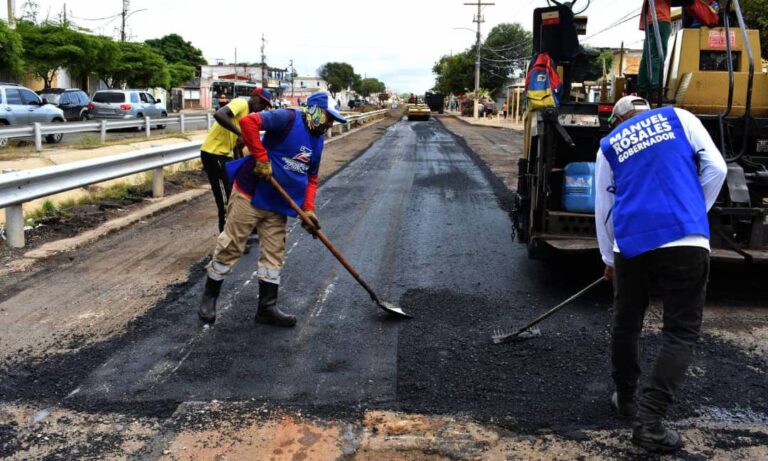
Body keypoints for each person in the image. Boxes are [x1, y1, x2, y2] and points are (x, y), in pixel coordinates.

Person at [595, 96, 727, 452]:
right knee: (680, 332)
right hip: (686, 239)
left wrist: (609, 257)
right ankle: (650, 422)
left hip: (632, 243)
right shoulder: (680, 117)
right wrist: (692, 211)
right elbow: (717, 168)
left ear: (619, 118)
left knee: (627, 322)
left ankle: (627, 401)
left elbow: (604, 207)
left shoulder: (610, 144)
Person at [197, 91, 345, 326]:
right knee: (231, 246)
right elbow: (248, 122)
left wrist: (308, 210)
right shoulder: (287, 118)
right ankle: (209, 296)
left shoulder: (318, 141)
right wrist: (262, 158)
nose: (329, 124)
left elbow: (312, 177)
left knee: (274, 254)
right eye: (328, 118)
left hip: (278, 203)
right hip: (250, 194)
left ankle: (267, 308)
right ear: (316, 111)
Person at [200, 88, 273, 232]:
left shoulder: (247, 116)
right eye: (262, 102)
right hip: (213, 153)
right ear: (254, 97)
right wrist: (241, 133)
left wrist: (242, 163)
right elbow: (219, 114)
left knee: (235, 193)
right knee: (225, 197)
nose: (263, 107)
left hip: (224, 155)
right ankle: (225, 238)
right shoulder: (241, 103)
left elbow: (236, 145)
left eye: (266, 105)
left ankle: (241, 231)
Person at [638, 0, 672, 100]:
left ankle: (643, 89)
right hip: (660, 18)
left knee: (647, 56)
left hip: (651, 19)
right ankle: (655, 89)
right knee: (657, 54)